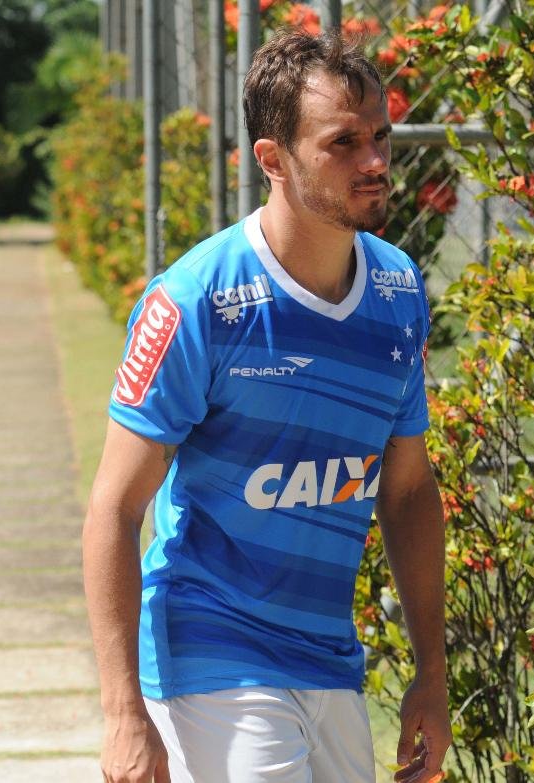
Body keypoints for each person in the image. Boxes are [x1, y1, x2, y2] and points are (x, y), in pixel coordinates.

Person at [82, 29, 450, 783]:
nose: (376, 161)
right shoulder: (196, 302)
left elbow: (408, 491)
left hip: (327, 656)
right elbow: (114, 507)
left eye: (379, 135)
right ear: (273, 160)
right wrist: (124, 712)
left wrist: (432, 674)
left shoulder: (398, 291)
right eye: (342, 143)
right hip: (209, 648)